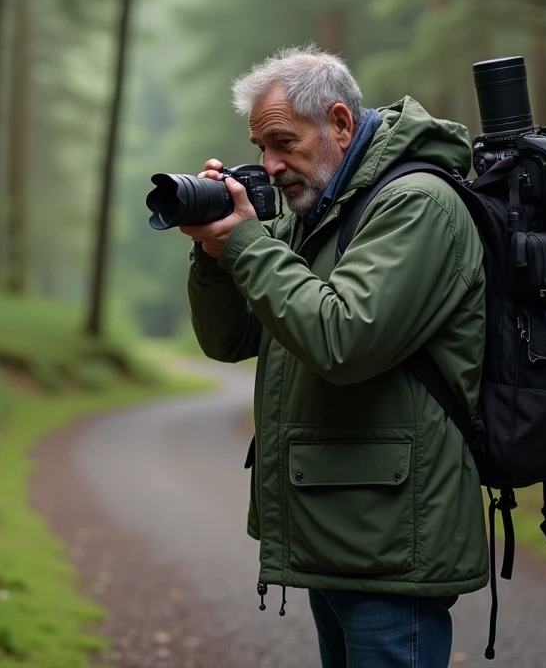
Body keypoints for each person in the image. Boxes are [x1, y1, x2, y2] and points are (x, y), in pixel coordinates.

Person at [181, 45, 489, 668]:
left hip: (391, 538)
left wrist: (244, 242)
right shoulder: (316, 210)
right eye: (260, 148)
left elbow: (341, 339)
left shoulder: (418, 203)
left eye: (283, 142)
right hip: (338, 523)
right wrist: (214, 256)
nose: (269, 165)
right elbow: (232, 340)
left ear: (341, 124)